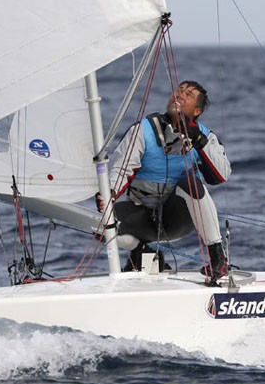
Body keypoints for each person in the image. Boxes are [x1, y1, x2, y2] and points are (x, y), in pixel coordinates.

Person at [97, 80, 231, 280]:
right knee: (101, 227)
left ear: (197, 111)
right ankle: (141, 251)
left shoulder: (205, 137)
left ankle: (218, 259)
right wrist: (110, 194)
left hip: (176, 219)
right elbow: (121, 168)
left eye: (189, 95)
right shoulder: (143, 129)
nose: (180, 95)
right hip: (143, 214)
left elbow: (221, 175)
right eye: (180, 90)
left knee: (191, 182)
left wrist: (199, 142)